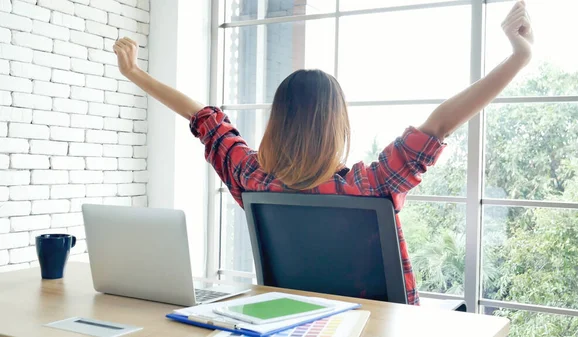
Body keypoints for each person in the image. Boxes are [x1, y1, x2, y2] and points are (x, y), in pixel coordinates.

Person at [113, 1, 533, 305]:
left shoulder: (252, 178)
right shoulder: (371, 185)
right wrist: (520, 55)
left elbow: (203, 117)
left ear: (278, 121)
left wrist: (135, 73)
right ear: (338, 126)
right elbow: (442, 122)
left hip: (297, 323)